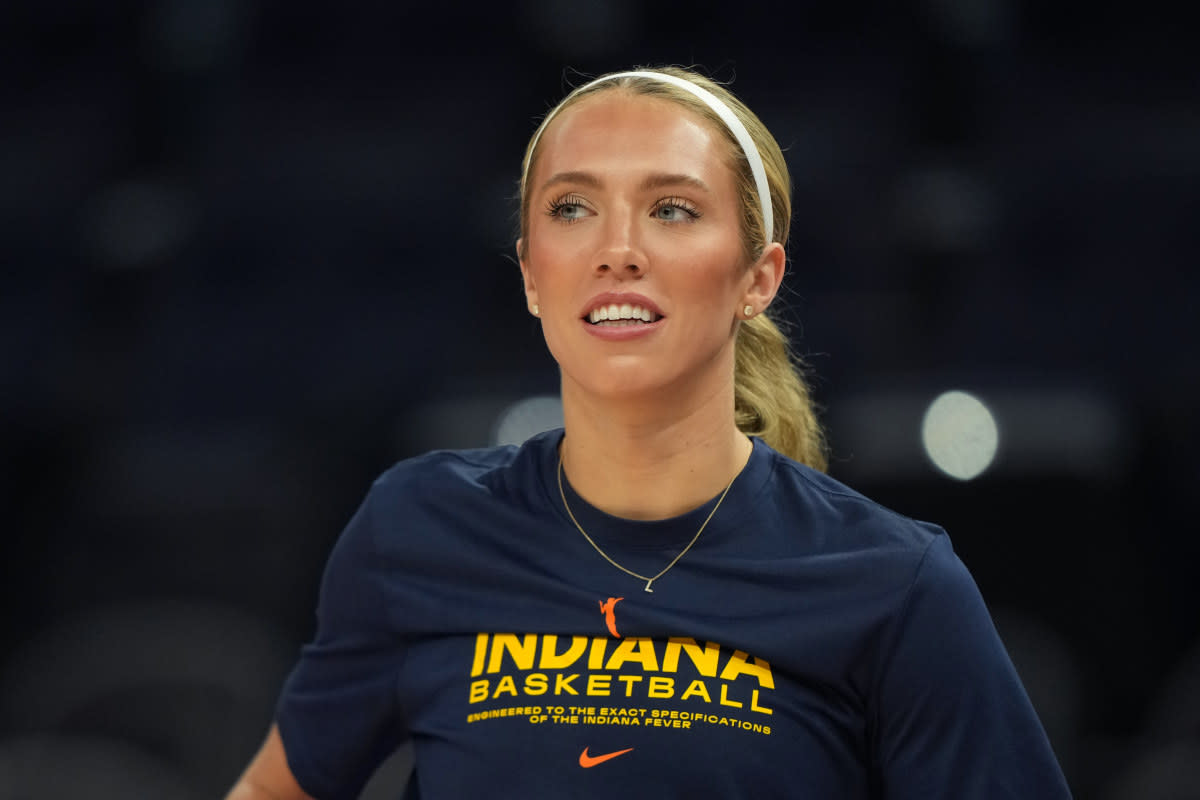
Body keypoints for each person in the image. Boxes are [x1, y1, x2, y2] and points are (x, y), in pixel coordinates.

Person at [225, 66, 1072, 799]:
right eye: (571, 208)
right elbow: (280, 785)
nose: (617, 249)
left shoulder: (895, 586)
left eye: (671, 208)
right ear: (529, 273)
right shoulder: (417, 526)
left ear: (758, 276)